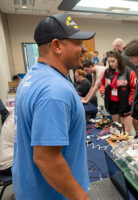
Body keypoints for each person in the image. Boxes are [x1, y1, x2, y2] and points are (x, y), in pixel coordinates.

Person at [12, 14, 95, 199]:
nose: (83, 49)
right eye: (78, 43)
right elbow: (46, 159)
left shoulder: (31, 78)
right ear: (57, 46)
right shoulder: (54, 91)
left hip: (29, 189)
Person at [100, 50, 136, 134]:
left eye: (113, 61)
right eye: (109, 62)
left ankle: (129, 147)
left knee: (126, 132)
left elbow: (134, 89)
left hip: (125, 105)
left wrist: (130, 101)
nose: (111, 64)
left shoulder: (129, 72)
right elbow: (102, 83)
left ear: (119, 60)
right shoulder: (107, 72)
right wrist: (102, 92)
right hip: (112, 104)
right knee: (117, 130)